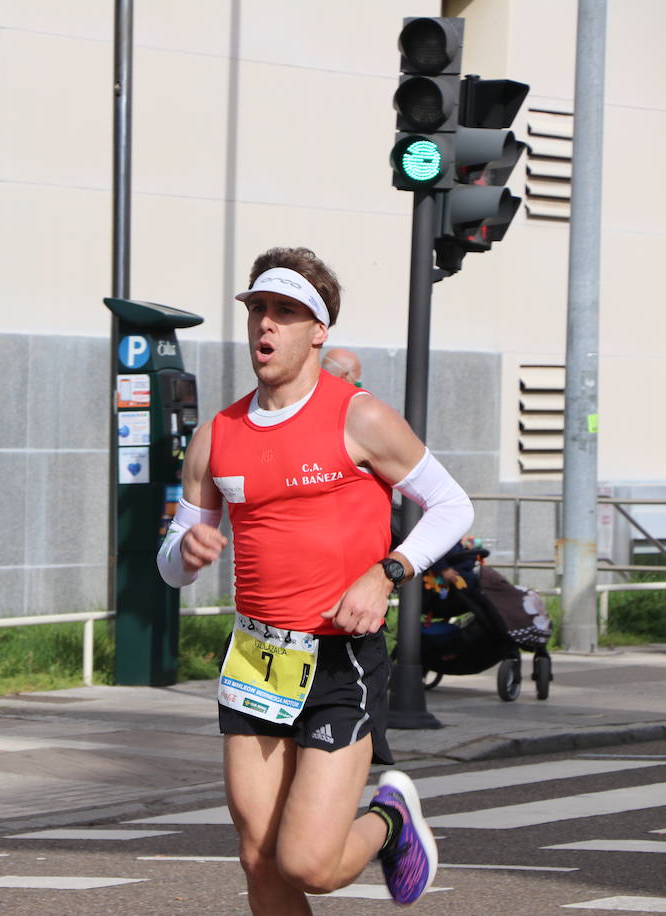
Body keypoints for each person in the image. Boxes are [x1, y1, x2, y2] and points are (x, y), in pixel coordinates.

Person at [157, 247, 472, 912]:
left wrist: (386, 573)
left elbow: (452, 506)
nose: (266, 326)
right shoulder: (218, 434)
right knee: (258, 858)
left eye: (286, 313)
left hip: (339, 657)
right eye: (259, 311)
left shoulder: (359, 416)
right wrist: (185, 553)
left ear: (318, 329)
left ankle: (389, 821)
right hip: (255, 657)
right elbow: (170, 560)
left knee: (308, 864)